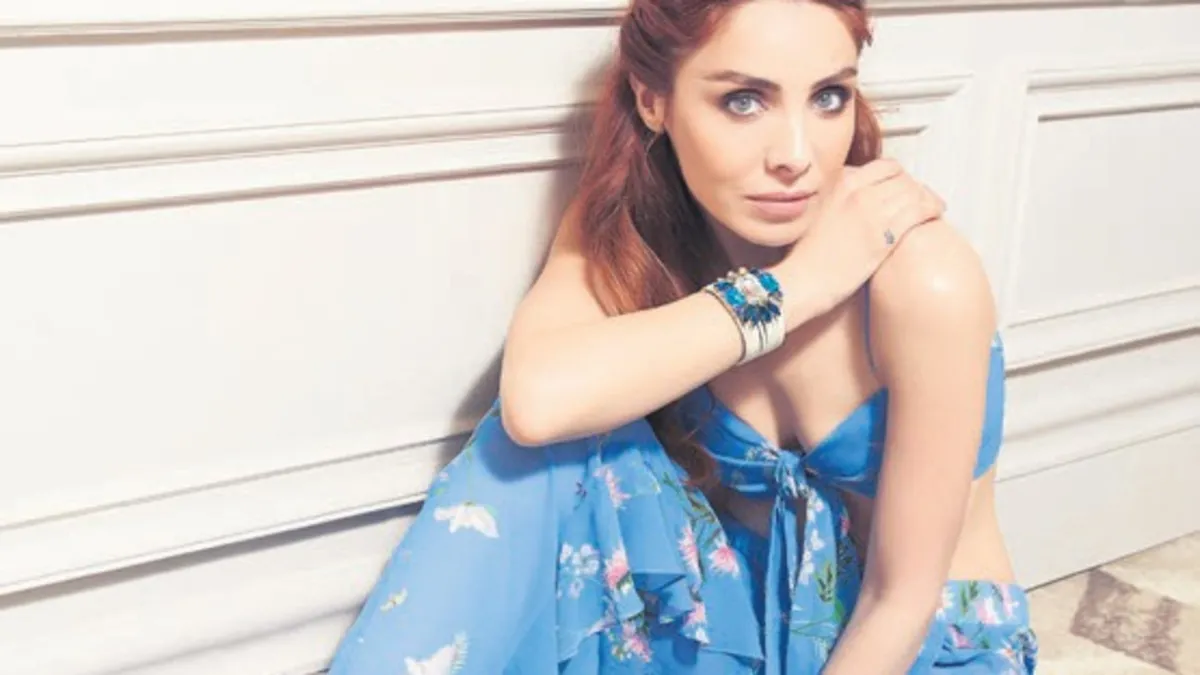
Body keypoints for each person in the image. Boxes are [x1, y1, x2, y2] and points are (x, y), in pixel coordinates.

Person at [326, 0, 1038, 672]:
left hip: (910, 646)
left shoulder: (924, 277)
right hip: (730, 628)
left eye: (828, 97)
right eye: (744, 101)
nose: (796, 154)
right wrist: (795, 288)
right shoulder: (638, 228)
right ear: (653, 100)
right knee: (539, 454)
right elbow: (536, 405)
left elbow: (900, 600)